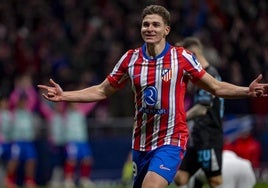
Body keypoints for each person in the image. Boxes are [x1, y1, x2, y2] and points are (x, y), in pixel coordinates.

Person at [38, 5, 268, 188]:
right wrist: (64, 95)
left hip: (171, 140)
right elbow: (102, 90)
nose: (149, 28)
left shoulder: (182, 57)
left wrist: (246, 90)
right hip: (140, 144)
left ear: (166, 30)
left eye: (156, 25)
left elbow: (215, 87)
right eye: (146, 24)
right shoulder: (130, 59)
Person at [173, 37, 225, 188]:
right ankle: (200, 180)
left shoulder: (209, 75)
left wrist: (179, 119)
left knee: (215, 181)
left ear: (192, 54)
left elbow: (202, 108)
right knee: (180, 178)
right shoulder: (198, 76)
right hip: (197, 137)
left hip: (209, 136)